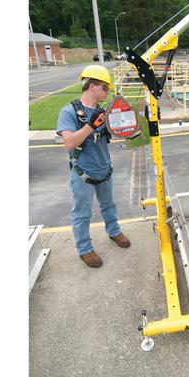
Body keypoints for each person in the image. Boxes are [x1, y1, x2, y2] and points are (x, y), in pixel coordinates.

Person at [57, 65, 131, 268]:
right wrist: (90, 125)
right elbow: (69, 143)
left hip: (105, 170)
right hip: (83, 174)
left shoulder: (103, 112)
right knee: (82, 213)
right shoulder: (69, 112)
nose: (107, 92)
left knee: (109, 205)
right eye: (104, 88)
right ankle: (84, 249)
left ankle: (114, 231)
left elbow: (120, 131)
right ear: (92, 86)